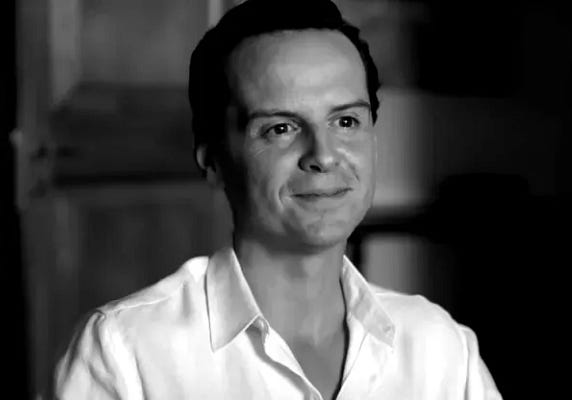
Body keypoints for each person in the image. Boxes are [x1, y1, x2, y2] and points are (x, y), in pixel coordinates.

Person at [54, 0, 502, 398]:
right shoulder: (126, 353)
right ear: (213, 161)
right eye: (280, 128)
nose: (323, 155)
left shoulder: (440, 349)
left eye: (346, 121)